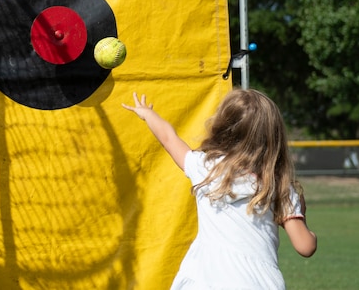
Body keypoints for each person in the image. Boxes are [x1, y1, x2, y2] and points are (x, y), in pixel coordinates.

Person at [123, 88, 317, 289]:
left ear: (224, 127)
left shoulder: (206, 169)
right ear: (273, 137)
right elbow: (305, 246)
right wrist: (300, 214)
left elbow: (169, 138)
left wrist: (148, 114)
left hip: (204, 280)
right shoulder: (279, 186)